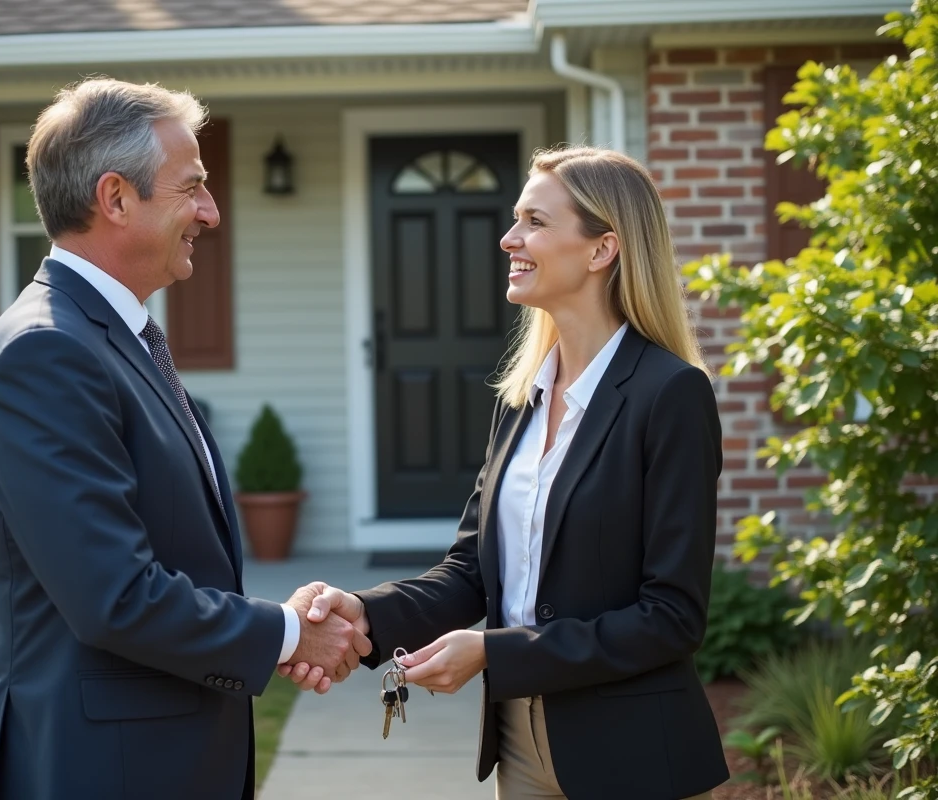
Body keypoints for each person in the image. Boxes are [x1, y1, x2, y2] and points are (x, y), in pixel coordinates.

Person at [0, 78, 368, 800]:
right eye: (193, 188)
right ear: (115, 199)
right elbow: (113, 595)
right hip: (102, 769)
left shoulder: (113, 336)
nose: (210, 213)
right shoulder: (46, 353)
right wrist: (285, 634)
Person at [288, 146, 730, 799]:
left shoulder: (670, 395)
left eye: (534, 222)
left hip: (632, 750)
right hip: (519, 743)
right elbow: (471, 571)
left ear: (601, 249)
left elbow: (671, 616)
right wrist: (362, 612)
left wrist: (495, 653)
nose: (508, 238)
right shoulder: (522, 398)